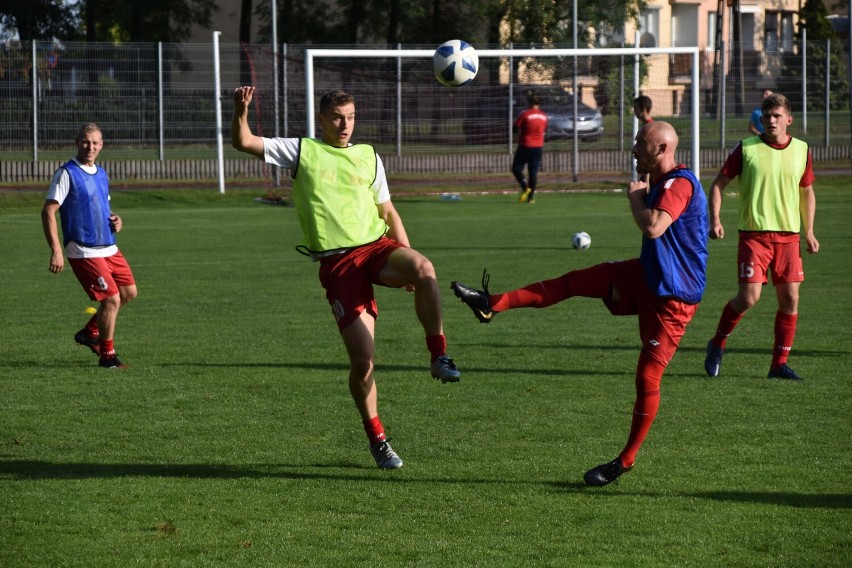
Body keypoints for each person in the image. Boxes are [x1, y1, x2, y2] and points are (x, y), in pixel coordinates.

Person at [451, 121, 707, 486]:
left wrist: (635, 197)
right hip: (647, 276)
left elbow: (654, 226)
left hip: (673, 299)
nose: (634, 149)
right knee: (574, 281)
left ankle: (626, 461)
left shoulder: (678, 184)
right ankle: (492, 303)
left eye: (641, 144)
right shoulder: (659, 180)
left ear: (663, 149)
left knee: (647, 376)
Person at [231, 86, 461, 470]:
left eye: (351, 117)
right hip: (339, 265)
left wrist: (407, 257)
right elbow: (244, 141)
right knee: (364, 362)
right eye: (338, 117)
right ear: (322, 119)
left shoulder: (368, 155)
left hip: (376, 248)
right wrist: (241, 110)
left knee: (424, 268)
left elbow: (387, 210)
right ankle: (378, 438)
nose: (345, 125)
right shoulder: (303, 151)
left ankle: (438, 355)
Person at [704, 92, 818, 381]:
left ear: (789, 120)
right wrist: (715, 219)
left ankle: (778, 365)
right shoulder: (747, 149)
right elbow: (718, 184)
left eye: (777, 116)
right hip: (754, 236)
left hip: (789, 237)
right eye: (767, 116)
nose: (771, 120)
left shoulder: (802, 150)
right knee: (749, 297)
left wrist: (809, 231)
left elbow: (807, 192)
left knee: (790, 299)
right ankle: (717, 343)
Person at [41, 123, 138, 369]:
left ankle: (89, 332)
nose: (90, 147)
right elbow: (49, 211)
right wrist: (56, 251)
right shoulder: (67, 173)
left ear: (102, 145)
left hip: (109, 246)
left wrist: (116, 219)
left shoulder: (102, 174)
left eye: (95, 142)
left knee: (128, 293)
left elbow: (100, 207)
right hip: (83, 249)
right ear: (77, 142)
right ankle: (108, 357)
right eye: (85, 141)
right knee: (112, 300)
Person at [512, 94, 548, 204]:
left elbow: (515, 128)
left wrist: (519, 134)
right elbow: (545, 128)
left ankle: (525, 187)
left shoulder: (525, 114)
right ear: (539, 103)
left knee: (516, 168)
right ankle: (531, 198)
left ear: (529, 103)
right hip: (538, 147)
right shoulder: (544, 116)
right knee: (533, 172)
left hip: (525, 145)